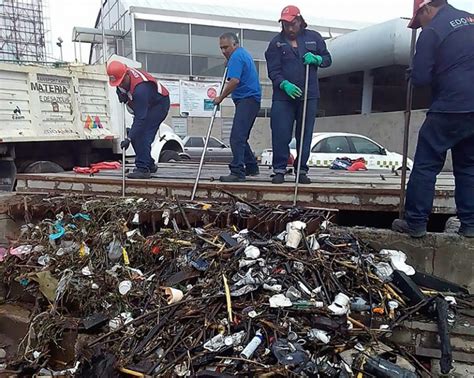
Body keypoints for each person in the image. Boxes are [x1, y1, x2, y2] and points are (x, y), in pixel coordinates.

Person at [392, 0, 474, 238]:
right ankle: (470, 224)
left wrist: (413, 72)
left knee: (426, 164)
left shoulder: (432, 30)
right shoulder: (471, 19)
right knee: (469, 166)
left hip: (451, 105)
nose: (420, 26)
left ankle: (415, 222)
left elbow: (421, 79)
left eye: (419, 21)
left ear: (425, 10)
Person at [265, 5, 331, 184]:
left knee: (305, 134)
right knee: (281, 133)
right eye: (285, 25)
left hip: (308, 95)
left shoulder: (314, 38)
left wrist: (317, 59)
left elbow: (327, 59)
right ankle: (279, 169)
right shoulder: (275, 43)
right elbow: (273, 70)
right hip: (283, 97)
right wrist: (283, 84)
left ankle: (301, 169)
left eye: (292, 24)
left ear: (300, 21)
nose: (289, 28)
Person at [106, 60, 170, 179]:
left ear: (126, 74)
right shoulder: (122, 78)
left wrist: (129, 139)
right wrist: (120, 94)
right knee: (136, 133)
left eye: (121, 82)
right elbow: (119, 86)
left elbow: (141, 118)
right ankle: (149, 164)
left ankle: (143, 169)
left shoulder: (141, 88)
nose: (120, 85)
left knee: (142, 134)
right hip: (147, 104)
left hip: (158, 105)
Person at [213, 32, 262, 182]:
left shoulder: (236, 57)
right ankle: (252, 166)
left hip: (247, 99)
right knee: (241, 137)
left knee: (236, 137)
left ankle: (237, 171)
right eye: (221, 48)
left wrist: (220, 97)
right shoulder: (242, 54)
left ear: (235, 44)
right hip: (250, 99)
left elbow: (234, 81)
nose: (223, 51)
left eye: (226, 47)